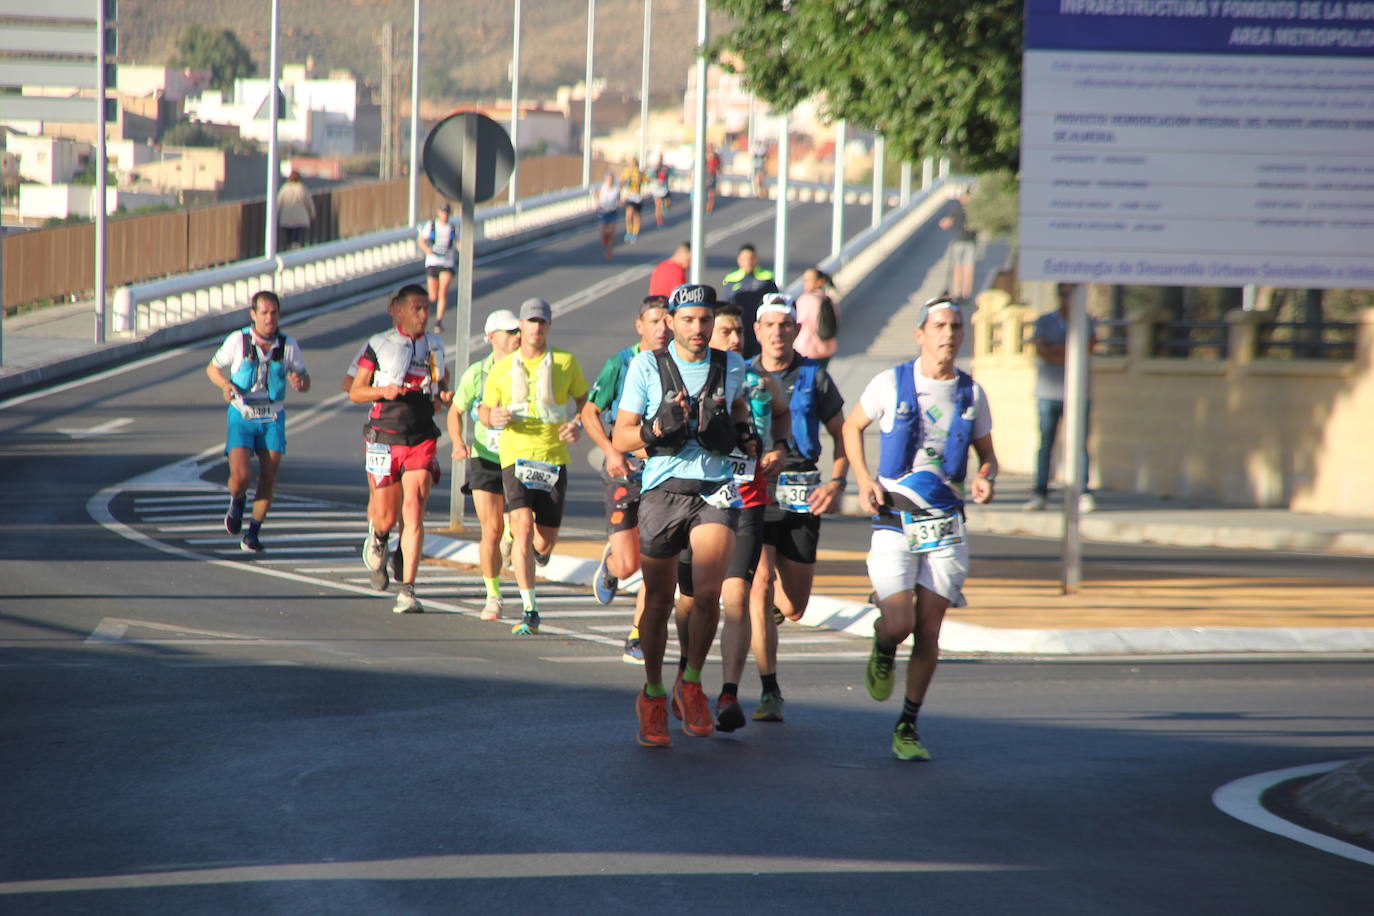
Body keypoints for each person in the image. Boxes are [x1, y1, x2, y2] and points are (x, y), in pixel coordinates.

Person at [841, 297, 999, 762]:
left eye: (955, 327)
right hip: (894, 516)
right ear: (921, 334)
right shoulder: (890, 383)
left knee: (929, 632)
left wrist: (986, 476)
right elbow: (852, 427)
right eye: (939, 326)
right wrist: (864, 479)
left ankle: (907, 724)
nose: (948, 334)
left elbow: (988, 456)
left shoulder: (972, 393)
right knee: (900, 622)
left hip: (946, 523)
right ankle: (883, 642)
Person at [611, 283, 756, 748]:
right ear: (671, 322)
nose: (698, 328)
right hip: (661, 491)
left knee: (708, 592)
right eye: (689, 319)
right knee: (657, 601)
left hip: (713, 488)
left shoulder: (730, 365)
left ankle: (690, 682)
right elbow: (621, 438)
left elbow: (736, 410)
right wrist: (656, 430)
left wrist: (743, 434)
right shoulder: (646, 365)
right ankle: (653, 693)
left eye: (705, 319)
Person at [672, 301, 790, 733]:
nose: (736, 339)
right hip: (699, 499)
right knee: (691, 601)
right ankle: (688, 672)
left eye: (739, 331)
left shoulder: (756, 378)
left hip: (748, 501)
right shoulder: (685, 376)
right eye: (727, 331)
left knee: (737, 598)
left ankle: (727, 694)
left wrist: (779, 446)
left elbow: (780, 411)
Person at [746, 293, 848, 724]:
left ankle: (771, 612)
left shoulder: (815, 377)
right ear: (758, 331)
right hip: (755, 488)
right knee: (761, 583)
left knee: (794, 606)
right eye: (769, 325)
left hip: (803, 489)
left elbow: (845, 435)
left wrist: (838, 481)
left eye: (784, 325)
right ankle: (770, 690)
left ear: (795, 330)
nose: (777, 332)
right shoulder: (742, 374)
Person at [480, 297, 589, 636]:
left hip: (553, 458)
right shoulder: (501, 368)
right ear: (522, 327)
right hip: (515, 456)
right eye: (530, 322)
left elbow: (586, 404)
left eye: (542, 322)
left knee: (544, 542)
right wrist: (492, 416)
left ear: (548, 327)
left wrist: (578, 424)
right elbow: (484, 409)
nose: (536, 328)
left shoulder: (566, 364)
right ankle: (531, 609)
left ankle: (533, 554)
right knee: (522, 527)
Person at [580, 296, 673, 662]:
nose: (661, 329)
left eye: (667, 321)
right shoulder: (620, 363)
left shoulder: (678, 363)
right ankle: (611, 565)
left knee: (654, 558)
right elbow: (590, 413)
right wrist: (611, 450)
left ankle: (636, 635)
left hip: (661, 475)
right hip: (623, 470)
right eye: (654, 322)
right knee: (628, 565)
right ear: (640, 325)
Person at [350, 284, 450, 613]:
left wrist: (444, 398)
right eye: (418, 309)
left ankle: (408, 590)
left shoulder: (435, 345)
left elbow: (440, 386)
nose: (424, 315)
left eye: (427, 309)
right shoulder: (379, 344)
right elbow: (354, 391)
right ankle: (379, 539)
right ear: (402, 310)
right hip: (384, 435)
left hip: (421, 435)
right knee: (387, 516)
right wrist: (384, 390)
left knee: (415, 509)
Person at [206, 290, 311, 553]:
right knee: (241, 477)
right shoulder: (238, 341)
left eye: (273, 312)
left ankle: (252, 532)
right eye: (263, 313)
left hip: (273, 416)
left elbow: (305, 380)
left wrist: (300, 382)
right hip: (242, 414)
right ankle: (237, 499)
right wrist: (225, 384)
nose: (269, 318)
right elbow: (212, 368)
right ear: (253, 315)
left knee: (268, 477)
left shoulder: (289, 346)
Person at [449, 309, 523, 620]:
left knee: (523, 530)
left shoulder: (528, 369)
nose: (517, 337)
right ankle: (493, 596)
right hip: (486, 457)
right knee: (490, 529)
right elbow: (455, 410)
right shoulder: (476, 374)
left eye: (518, 330)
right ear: (491, 337)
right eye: (509, 332)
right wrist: (457, 443)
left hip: (521, 456)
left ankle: (512, 536)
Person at [1025, 282, 1098, 514]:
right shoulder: (1045, 321)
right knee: (1046, 443)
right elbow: (1041, 349)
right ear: (1059, 296)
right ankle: (1040, 493)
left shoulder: (1085, 321)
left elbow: (1086, 348)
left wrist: (1058, 350)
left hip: (1078, 393)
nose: (1069, 298)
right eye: (1066, 294)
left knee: (1079, 445)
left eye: (1073, 294)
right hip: (1048, 393)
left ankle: (1082, 492)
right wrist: (1068, 351)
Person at [721, 244, 778, 357]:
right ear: (739, 260)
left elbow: (775, 305)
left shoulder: (767, 279)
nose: (748, 262)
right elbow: (725, 307)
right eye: (745, 259)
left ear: (756, 259)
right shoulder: (731, 280)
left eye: (751, 258)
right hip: (739, 329)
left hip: (759, 329)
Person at [418, 202, 459, 333]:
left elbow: (459, 242)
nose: (445, 215)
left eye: (447, 212)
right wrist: (427, 250)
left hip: (447, 263)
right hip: (433, 262)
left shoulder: (453, 227)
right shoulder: (431, 225)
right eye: (443, 212)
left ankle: (438, 321)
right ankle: (424, 317)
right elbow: (421, 240)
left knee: (443, 292)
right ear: (438, 213)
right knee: (433, 296)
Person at [793, 267, 840, 365]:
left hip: (806, 349)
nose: (804, 282)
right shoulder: (830, 300)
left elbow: (796, 321)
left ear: (820, 282)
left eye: (808, 280)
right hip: (827, 349)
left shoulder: (806, 300)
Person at [938, 191, 977, 301]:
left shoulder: (962, 209)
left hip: (966, 242)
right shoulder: (964, 209)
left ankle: (963, 294)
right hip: (962, 241)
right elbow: (946, 223)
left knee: (966, 268)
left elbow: (945, 224)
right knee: (961, 268)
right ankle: (960, 294)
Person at [276, 172, 315, 250]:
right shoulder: (302, 188)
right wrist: (312, 214)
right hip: (300, 218)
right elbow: (309, 202)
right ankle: (295, 251)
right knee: (297, 237)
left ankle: (289, 250)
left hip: (286, 218)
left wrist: (277, 216)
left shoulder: (285, 188)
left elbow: (279, 203)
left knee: (289, 237)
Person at [595, 173, 621, 259]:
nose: (610, 181)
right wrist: (597, 204)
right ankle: (605, 241)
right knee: (603, 232)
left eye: (611, 179)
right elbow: (597, 195)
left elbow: (619, 199)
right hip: (603, 212)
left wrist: (620, 203)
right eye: (608, 179)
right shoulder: (603, 188)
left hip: (612, 212)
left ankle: (609, 251)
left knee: (611, 232)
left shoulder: (616, 190)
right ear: (606, 180)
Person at [620, 158, 646, 243]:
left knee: (636, 216)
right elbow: (621, 182)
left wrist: (641, 179)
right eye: (631, 162)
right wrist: (621, 195)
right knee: (628, 214)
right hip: (629, 196)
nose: (632, 164)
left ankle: (635, 233)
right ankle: (629, 231)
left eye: (634, 163)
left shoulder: (639, 172)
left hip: (637, 196)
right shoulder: (626, 171)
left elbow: (646, 181)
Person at [651, 157, 672, 227]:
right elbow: (650, 175)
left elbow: (671, 172)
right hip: (657, 190)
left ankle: (665, 209)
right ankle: (659, 221)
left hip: (665, 190)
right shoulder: (655, 169)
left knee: (668, 203)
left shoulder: (666, 169)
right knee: (658, 206)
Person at [705, 145, 722, 214]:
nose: (711, 150)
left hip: (712, 177)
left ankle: (709, 209)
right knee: (704, 193)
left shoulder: (716, 157)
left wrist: (717, 170)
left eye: (712, 148)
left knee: (712, 194)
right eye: (709, 148)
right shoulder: (703, 156)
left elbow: (719, 168)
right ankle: (704, 207)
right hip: (704, 177)